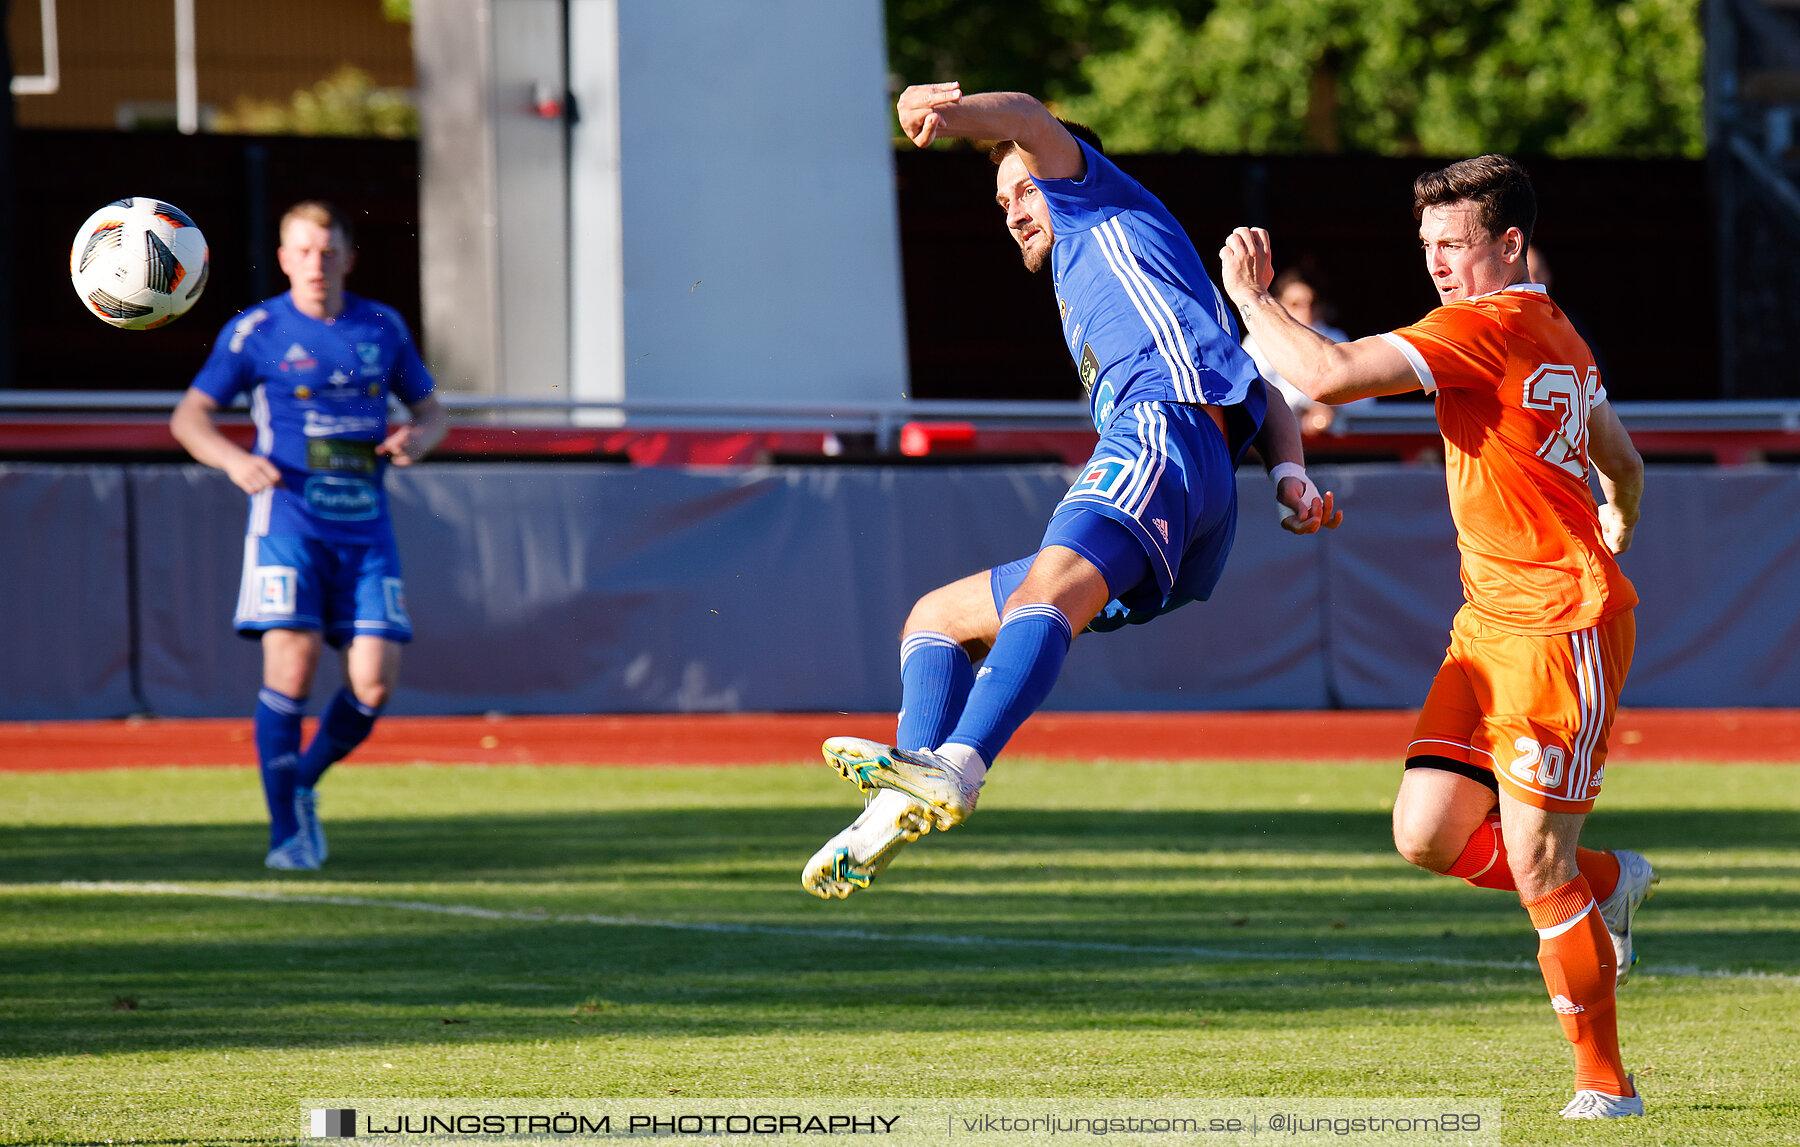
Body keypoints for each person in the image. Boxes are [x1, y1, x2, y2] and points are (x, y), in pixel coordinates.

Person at [802, 83, 1342, 900]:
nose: (1015, 209)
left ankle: (954, 766)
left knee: (1045, 591)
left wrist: (945, 116)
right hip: (1200, 487)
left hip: (1162, 434)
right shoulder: (1126, 272)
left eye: (1025, 188)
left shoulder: (1096, 201)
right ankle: (895, 802)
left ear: (1062, 169)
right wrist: (1293, 478)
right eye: (1002, 199)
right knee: (937, 620)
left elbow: (1022, 113)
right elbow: (1261, 396)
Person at [1217, 155, 1654, 1119]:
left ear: (1508, 245)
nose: (1438, 264)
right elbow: (1620, 456)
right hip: (1487, 626)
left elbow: (1324, 372)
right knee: (1425, 832)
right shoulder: (1558, 333)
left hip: (1556, 627)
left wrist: (1249, 296)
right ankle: (1610, 882)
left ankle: (1606, 1086)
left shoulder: (1489, 326)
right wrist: (1617, 512)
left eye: (1454, 245)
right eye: (1426, 247)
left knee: (1538, 865)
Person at [170, 200, 447, 871]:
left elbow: (433, 410)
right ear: (285, 257)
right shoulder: (256, 330)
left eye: (329, 251)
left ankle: (298, 785)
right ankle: (284, 834)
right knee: (289, 671)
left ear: (350, 257)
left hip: (366, 526)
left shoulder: (382, 326)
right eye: (303, 250)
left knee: (375, 683)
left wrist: (420, 437)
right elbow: (189, 418)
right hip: (288, 523)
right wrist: (235, 460)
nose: (317, 263)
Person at [1240, 265, 1368, 434]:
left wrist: (1329, 408)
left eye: (1312, 303)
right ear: (1278, 304)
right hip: (1274, 435)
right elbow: (1253, 390)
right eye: (1296, 303)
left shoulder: (1336, 337)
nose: (1306, 310)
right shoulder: (1259, 339)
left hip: (1331, 444)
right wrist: (1306, 406)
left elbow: (1364, 393)